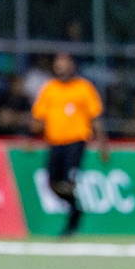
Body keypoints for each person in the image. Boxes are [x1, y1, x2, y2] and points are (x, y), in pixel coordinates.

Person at [31, 52, 109, 236]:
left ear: (72, 66)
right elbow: (38, 116)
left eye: (64, 65)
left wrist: (103, 143)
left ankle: (73, 219)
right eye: (58, 65)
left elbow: (95, 117)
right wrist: (31, 134)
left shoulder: (83, 88)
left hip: (76, 141)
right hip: (55, 142)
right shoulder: (49, 88)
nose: (61, 69)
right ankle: (76, 207)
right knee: (52, 183)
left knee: (68, 181)